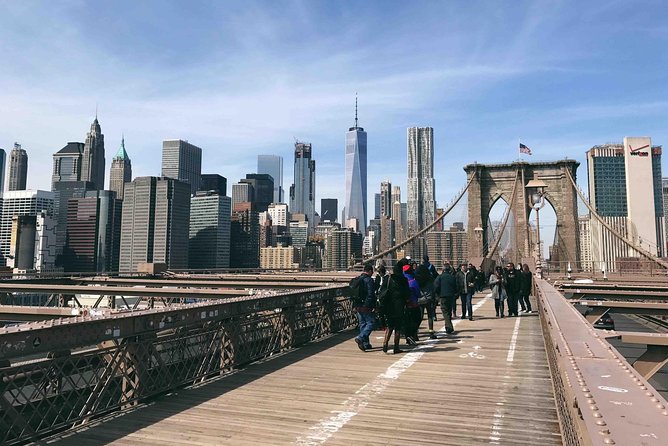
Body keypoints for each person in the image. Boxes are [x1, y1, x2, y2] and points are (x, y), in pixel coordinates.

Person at [380, 262, 409, 354]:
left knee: (390, 325)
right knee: (398, 327)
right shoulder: (404, 280)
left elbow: (382, 291)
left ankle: (385, 344)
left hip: (388, 305)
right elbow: (407, 293)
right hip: (399, 306)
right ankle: (396, 347)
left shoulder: (387, 279)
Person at [353, 263, 377, 351]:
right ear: (370, 271)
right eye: (372, 272)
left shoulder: (358, 279)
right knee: (371, 322)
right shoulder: (369, 280)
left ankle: (365, 344)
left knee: (362, 324)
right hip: (366, 305)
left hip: (357, 305)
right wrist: (372, 305)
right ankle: (360, 337)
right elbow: (371, 294)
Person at [415, 255, 439, 339]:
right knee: (430, 315)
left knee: (420, 316)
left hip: (420, 299)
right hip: (428, 299)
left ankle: (415, 332)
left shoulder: (417, 279)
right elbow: (434, 285)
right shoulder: (430, 277)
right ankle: (431, 332)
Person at [433, 263, 457, 335]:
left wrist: (437, 294)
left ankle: (449, 326)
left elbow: (435, 286)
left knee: (445, 312)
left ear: (443, 269)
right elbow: (456, 287)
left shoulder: (440, 277)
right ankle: (448, 326)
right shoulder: (452, 277)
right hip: (451, 296)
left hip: (443, 296)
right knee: (449, 311)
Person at [402, 262, 422, 345]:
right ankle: (411, 334)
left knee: (407, 321)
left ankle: (408, 336)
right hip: (413, 304)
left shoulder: (402, 281)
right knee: (417, 319)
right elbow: (418, 294)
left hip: (404, 305)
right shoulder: (413, 281)